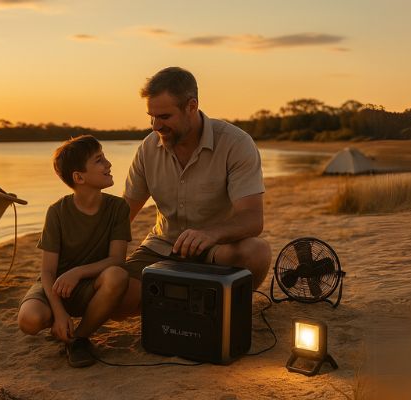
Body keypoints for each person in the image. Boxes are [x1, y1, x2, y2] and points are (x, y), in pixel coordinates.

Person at [112, 67, 272, 318]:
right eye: (151, 117)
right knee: (115, 301)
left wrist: (211, 234)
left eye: (164, 116)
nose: (156, 126)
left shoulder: (235, 143)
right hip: (161, 247)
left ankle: (204, 302)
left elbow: (253, 218)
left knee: (257, 253)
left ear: (191, 106)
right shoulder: (148, 149)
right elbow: (123, 214)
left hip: (215, 251)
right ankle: (187, 299)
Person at [17, 135, 131, 368]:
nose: (108, 164)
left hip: (91, 286)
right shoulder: (57, 212)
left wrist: (78, 272)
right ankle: (61, 324)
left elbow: (117, 259)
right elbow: (47, 272)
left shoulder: (118, 208)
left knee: (117, 275)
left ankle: (78, 338)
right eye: (99, 160)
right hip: (55, 286)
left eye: (105, 157)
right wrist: (59, 313)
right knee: (29, 320)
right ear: (79, 177)